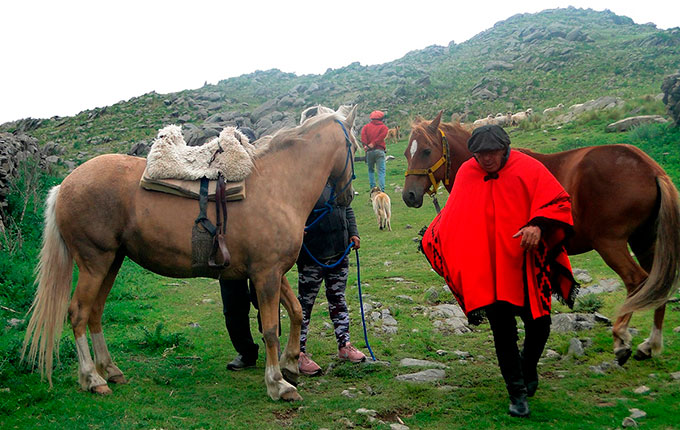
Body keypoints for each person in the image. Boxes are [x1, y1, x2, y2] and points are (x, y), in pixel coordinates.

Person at [420, 125, 576, 417]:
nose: (486, 159)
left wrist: (537, 226)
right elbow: (455, 214)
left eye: (491, 153)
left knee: (539, 325)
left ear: (505, 149)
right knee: (503, 333)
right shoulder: (468, 171)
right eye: (480, 154)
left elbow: (558, 201)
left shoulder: (528, 167)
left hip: (526, 266)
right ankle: (516, 393)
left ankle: (528, 367)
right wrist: (433, 238)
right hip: (487, 272)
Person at [297, 184, 365, 376]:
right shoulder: (305, 181)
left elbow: (347, 208)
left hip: (340, 250)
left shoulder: (338, 181)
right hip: (312, 255)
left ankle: (344, 346)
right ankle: (298, 353)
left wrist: (354, 232)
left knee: (338, 299)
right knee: (304, 305)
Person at [219, 124, 261, 371]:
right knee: (233, 308)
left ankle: (270, 345)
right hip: (230, 253)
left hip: (258, 251)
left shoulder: (262, 180)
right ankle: (246, 352)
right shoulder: (218, 180)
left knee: (265, 300)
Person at [360, 110, 389, 192]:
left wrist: (366, 146)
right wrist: (374, 143)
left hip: (369, 152)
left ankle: (373, 190)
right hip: (380, 151)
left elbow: (363, 138)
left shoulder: (366, 127)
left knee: (371, 170)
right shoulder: (384, 128)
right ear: (381, 118)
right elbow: (381, 138)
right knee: (381, 171)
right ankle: (382, 190)